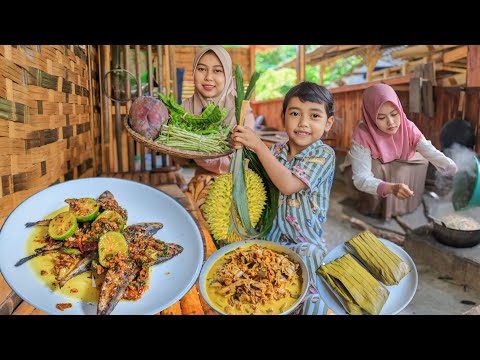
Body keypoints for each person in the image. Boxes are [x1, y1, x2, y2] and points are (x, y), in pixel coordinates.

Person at [232, 81, 336, 315]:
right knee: (258, 283)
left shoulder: (323, 154)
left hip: (305, 241)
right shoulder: (277, 151)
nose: (303, 123)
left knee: (314, 287)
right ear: (283, 117)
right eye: (295, 113)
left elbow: (288, 185)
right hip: (271, 238)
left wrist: (258, 145)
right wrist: (242, 149)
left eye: (315, 115)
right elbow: (258, 178)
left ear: (328, 123)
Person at [339, 83, 458, 220]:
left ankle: (404, 206)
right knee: (377, 169)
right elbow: (361, 178)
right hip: (373, 164)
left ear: (400, 110)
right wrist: (390, 188)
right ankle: (373, 208)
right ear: (370, 117)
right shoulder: (362, 135)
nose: (391, 122)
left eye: (394, 114)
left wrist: (448, 165)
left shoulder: (408, 127)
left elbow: (428, 150)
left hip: (398, 158)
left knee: (422, 160)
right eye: (381, 118)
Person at [181, 45, 255, 176]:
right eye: (202, 69)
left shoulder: (241, 108)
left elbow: (248, 152)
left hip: (240, 178)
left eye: (217, 71)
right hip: (203, 177)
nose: (208, 77)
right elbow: (179, 157)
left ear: (227, 75)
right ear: (194, 71)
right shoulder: (186, 108)